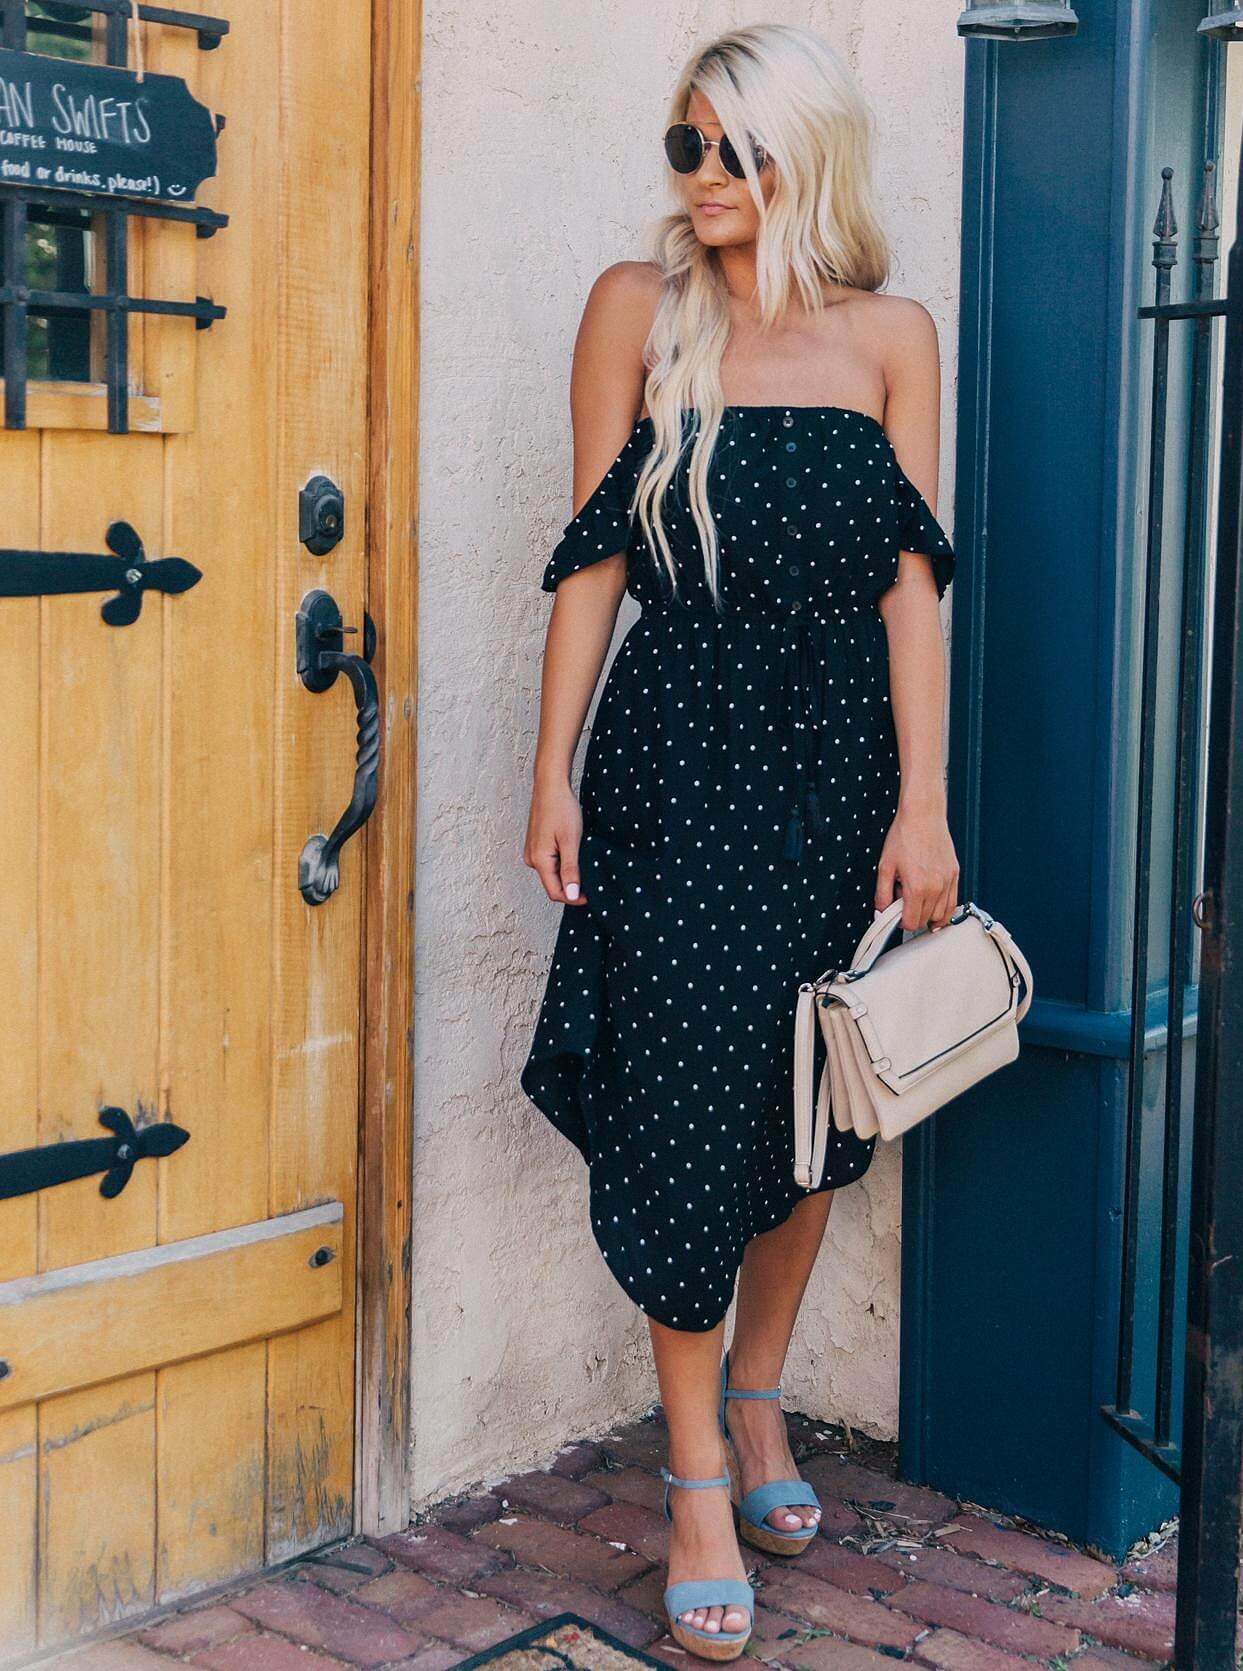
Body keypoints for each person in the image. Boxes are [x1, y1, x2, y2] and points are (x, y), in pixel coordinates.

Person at [520, 22, 959, 1661]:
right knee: (688, 1104)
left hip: (839, 768)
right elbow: (588, 560)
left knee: (809, 1101)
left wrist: (921, 806)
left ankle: (761, 1401)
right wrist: (549, 768)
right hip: (674, 757)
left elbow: (910, 590)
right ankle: (696, 1473)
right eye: (681, 146)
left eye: (730, 149)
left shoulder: (889, 337)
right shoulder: (637, 313)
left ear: (804, 157)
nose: (698, 178)